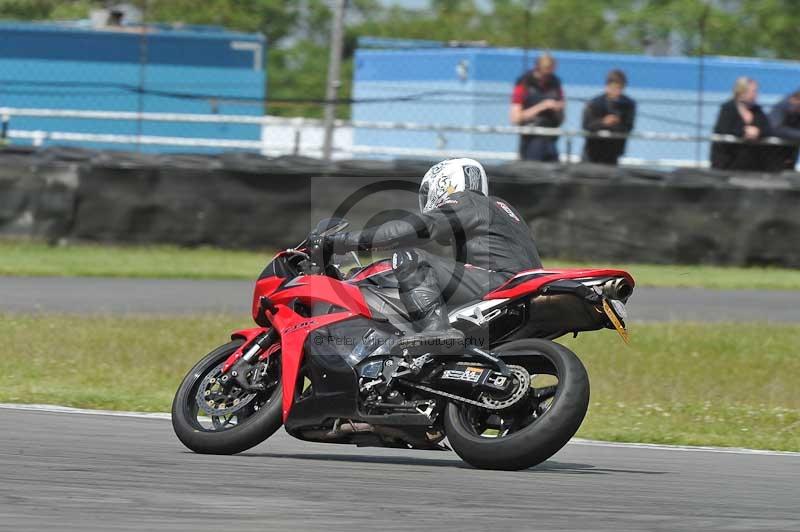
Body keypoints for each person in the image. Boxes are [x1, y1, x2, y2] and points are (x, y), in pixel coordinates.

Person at [325, 158, 542, 344]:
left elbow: (409, 229)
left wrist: (342, 241)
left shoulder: (469, 199)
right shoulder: (501, 208)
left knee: (409, 257)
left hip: (502, 283)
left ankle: (435, 331)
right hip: (520, 285)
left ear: (446, 182)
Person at [510, 53, 565, 162]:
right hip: (531, 139)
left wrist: (559, 108)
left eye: (551, 71)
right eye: (545, 71)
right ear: (537, 68)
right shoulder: (523, 83)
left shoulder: (555, 82)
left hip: (551, 139)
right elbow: (515, 118)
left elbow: (562, 112)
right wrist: (542, 106)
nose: (547, 76)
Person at [710, 77, 771, 171]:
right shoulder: (728, 108)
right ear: (742, 92)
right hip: (728, 164)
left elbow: (768, 129)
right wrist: (744, 132)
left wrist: (758, 132)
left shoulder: (757, 110)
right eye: (753, 91)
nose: (756, 94)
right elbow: (723, 129)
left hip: (752, 164)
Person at [581, 70, 636, 165]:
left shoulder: (628, 105)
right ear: (607, 86)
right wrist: (603, 122)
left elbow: (628, 127)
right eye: (614, 88)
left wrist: (616, 123)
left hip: (614, 151)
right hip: (593, 150)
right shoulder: (594, 103)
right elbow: (587, 125)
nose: (616, 92)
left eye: (620, 88)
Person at [767, 89, 800, 171]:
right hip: (772, 155)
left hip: (789, 155)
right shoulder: (781, 108)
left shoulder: (796, 113)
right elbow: (775, 128)